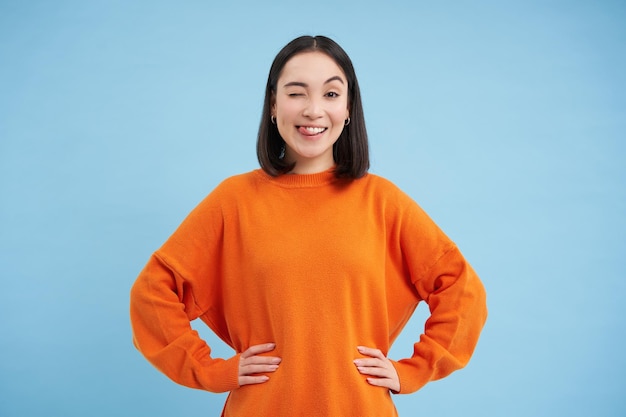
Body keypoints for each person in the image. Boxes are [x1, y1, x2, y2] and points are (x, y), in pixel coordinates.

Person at [130, 35, 487, 416]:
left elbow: (461, 290)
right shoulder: (233, 201)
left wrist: (413, 371)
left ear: (348, 107)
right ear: (273, 103)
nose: (313, 110)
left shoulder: (382, 202)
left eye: (331, 95)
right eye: (296, 93)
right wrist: (211, 370)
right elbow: (152, 295)